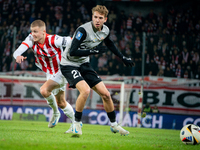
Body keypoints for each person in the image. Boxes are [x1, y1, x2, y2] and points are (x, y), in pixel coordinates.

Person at [60, 5, 134, 136]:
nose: (97, 20)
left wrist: (122, 57)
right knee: (85, 91)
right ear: (92, 17)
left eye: (100, 18)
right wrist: (93, 51)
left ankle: (114, 125)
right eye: (95, 17)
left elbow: (110, 44)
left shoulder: (105, 30)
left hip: (83, 63)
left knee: (106, 94)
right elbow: (73, 51)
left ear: (105, 19)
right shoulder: (83, 30)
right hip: (69, 63)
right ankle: (76, 124)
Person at [13, 19, 76, 133]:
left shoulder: (54, 39)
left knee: (44, 90)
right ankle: (75, 123)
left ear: (44, 31)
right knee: (61, 102)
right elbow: (17, 51)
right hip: (50, 72)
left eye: (36, 31)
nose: (33, 34)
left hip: (62, 71)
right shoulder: (31, 39)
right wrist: (17, 56)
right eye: (32, 31)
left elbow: (72, 41)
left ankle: (56, 113)